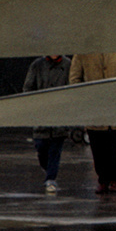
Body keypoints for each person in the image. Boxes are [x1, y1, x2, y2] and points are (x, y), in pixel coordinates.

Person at [69, 52, 116, 194]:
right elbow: (74, 79)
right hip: (93, 107)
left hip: (113, 107)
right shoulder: (82, 54)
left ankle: (114, 179)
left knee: (113, 147)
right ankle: (103, 180)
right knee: (97, 147)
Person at [23, 54, 72, 193]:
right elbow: (28, 87)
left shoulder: (68, 64)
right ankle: (49, 170)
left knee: (55, 148)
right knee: (41, 147)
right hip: (41, 115)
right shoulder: (37, 65)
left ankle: (51, 179)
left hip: (60, 115)